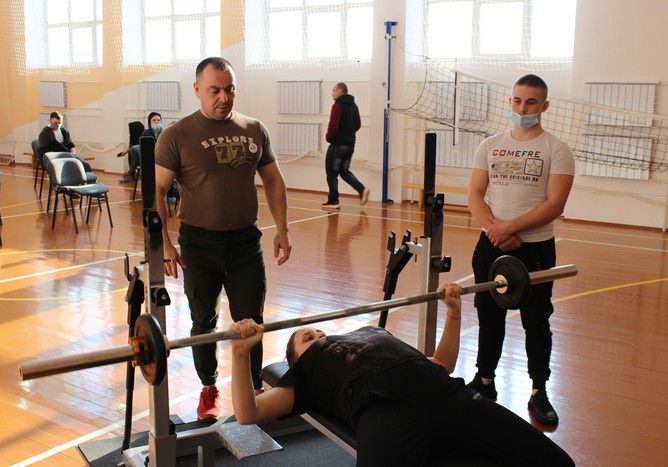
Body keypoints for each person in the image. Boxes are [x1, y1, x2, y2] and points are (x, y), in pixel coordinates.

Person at [229, 284, 575, 467]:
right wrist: (240, 353)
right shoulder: (306, 373)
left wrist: (453, 314)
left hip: (445, 393)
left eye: (319, 332)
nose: (319, 337)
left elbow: (441, 363)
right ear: (296, 360)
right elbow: (248, 413)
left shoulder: (370, 333)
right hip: (387, 412)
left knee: (556, 461)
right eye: (308, 338)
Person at [155, 56, 292, 423]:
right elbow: (157, 190)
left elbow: (274, 180)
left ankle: (254, 390)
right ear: (198, 89)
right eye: (214, 90)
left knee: (252, 321)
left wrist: (282, 228)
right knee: (204, 322)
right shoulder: (177, 135)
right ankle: (209, 387)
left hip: (246, 243)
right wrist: (165, 245)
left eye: (229, 89)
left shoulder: (254, 129)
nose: (223, 97)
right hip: (199, 244)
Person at [466, 74, 575, 426]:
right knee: (489, 314)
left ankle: (539, 390)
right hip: (491, 245)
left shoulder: (556, 149)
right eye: (516, 100)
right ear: (509, 101)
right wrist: (494, 230)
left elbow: (556, 203)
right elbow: (474, 195)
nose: (522, 108)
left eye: (530, 102)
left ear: (543, 106)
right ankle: (485, 381)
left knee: (536, 320)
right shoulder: (490, 144)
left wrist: (510, 228)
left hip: (535, 248)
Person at [322, 82, 369, 211]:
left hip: (337, 145)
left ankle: (333, 201)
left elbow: (333, 125)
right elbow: (358, 124)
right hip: (350, 145)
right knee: (344, 171)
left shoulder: (337, 106)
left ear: (340, 91)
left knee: (331, 173)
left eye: (333, 90)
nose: (332, 93)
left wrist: (329, 138)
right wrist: (348, 132)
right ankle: (362, 189)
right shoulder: (354, 106)